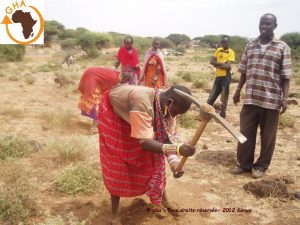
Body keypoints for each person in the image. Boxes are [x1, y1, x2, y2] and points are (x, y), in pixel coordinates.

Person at [98, 84, 196, 224]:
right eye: (176, 112)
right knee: (118, 161)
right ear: (170, 102)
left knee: (153, 156)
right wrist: (178, 149)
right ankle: (114, 216)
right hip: (115, 114)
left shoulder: (165, 105)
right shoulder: (141, 101)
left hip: (135, 113)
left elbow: (166, 139)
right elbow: (145, 143)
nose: (175, 116)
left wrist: (175, 165)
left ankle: (164, 201)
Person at [232, 13, 292, 178]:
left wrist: (285, 98)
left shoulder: (282, 47)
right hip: (250, 98)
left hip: (271, 100)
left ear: (275, 26)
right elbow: (243, 70)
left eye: (268, 24)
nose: (264, 27)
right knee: (244, 134)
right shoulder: (250, 44)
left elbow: (286, 77)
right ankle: (244, 165)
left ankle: (261, 166)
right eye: (262, 24)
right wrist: (238, 90)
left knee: (268, 137)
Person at [78, 67, 130, 134]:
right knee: (96, 104)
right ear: (122, 77)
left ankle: (96, 124)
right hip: (91, 78)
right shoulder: (114, 78)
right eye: (123, 81)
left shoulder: (116, 74)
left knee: (97, 101)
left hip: (91, 75)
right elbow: (109, 93)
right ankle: (93, 128)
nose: (121, 82)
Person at [207, 35, 235, 118]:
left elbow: (227, 67)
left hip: (226, 77)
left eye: (225, 42)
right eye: (222, 42)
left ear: (229, 42)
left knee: (224, 98)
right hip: (218, 76)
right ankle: (206, 114)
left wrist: (216, 65)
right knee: (211, 97)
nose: (223, 43)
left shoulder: (231, 52)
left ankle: (222, 115)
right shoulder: (218, 50)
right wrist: (222, 64)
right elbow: (211, 61)